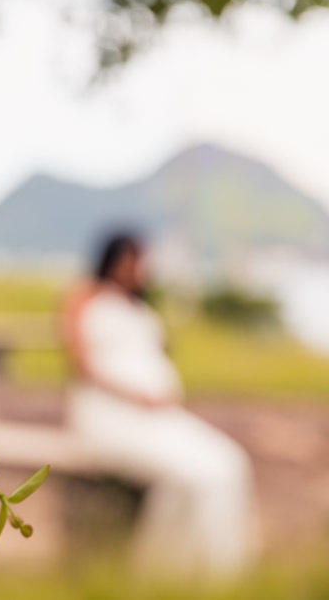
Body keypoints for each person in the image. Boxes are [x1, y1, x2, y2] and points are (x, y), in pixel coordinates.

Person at [60, 232, 257, 577]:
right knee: (195, 475)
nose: (137, 269)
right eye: (130, 261)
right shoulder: (85, 297)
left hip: (157, 417)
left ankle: (219, 569)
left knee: (230, 462)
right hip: (110, 416)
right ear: (112, 261)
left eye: (140, 261)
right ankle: (168, 569)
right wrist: (135, 394)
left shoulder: (138, 307)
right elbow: (82, 364)